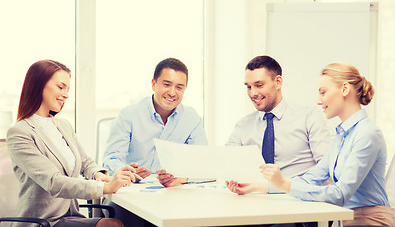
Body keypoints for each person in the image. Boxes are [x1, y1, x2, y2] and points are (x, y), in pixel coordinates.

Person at [228, 63, 395, 226]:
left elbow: (340, 194)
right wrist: (257, 187)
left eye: (323, 92)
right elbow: (311, 179)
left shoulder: (367, 134)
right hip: (345, 217)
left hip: (371, 219)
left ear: (344, 89)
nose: (318, 100)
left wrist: (285, 184)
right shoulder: (341, 136)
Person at [6, 59, 138, 227]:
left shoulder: (63, 126)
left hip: (71, 216)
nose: (67, 94)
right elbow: (53, 182)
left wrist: (99, 175)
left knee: (118, 222)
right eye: (61, 87)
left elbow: (85, 162)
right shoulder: (20, 132)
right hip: (43, 221)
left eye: (68, 89)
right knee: (113, 225)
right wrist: (104, 188)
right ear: (39, 85)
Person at [102, 58, 208, 187]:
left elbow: (204, 164)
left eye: (179, 87)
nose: (172, 92)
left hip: (173, 194)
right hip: (130, 191)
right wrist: (128, 174)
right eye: (167, 85)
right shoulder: (129, 115)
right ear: (153, 84)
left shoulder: (192, 119)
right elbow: (111, 159)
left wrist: (182, 178)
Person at [227, 55, 330, 187]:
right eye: (249, 87)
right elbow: (228, 162)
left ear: (278, 82)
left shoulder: (308, 116)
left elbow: (325, 168)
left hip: (299, 197)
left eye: (259, 85)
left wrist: (282, 186)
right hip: (256, 197)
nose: (253, 93)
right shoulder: (243, 125)